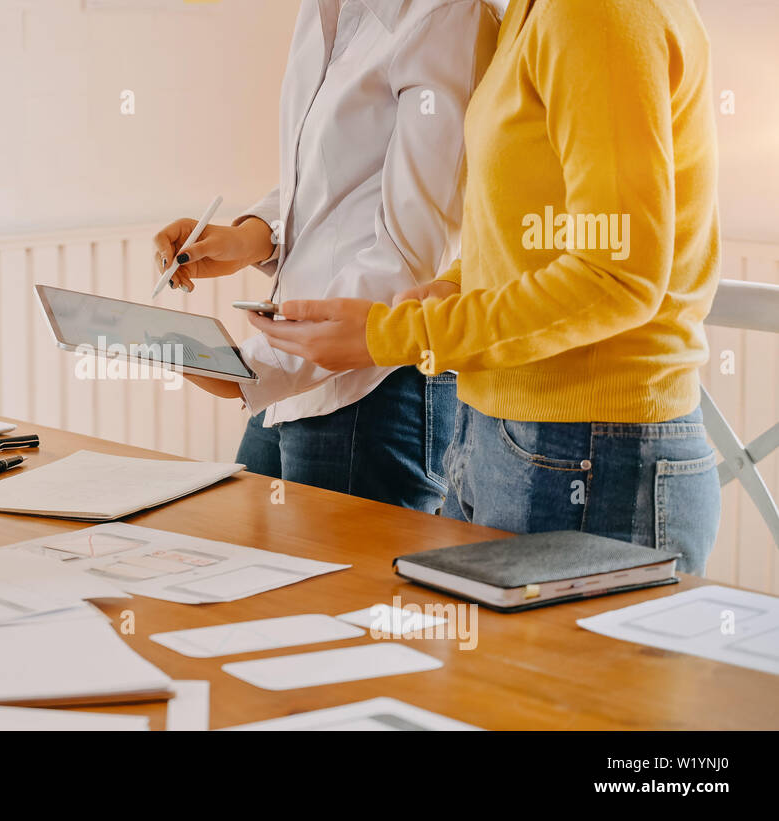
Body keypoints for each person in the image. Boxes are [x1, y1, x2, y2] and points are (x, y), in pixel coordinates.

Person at [248, 0, 721, 573]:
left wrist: (396, 334)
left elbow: (616, 278)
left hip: (589, 452)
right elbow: (531, 227)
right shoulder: (532, 13)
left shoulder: (596, 12)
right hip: (508, 436)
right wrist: (451, 285)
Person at [153, 0, 501, 513]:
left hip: (376, 389)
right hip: (296, 376)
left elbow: (415, 254)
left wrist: (250, 369)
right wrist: (253, 235)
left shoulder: (447, 15)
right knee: (254, 570)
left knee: (340, 590)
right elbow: (326, 174)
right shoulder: (323, 11)